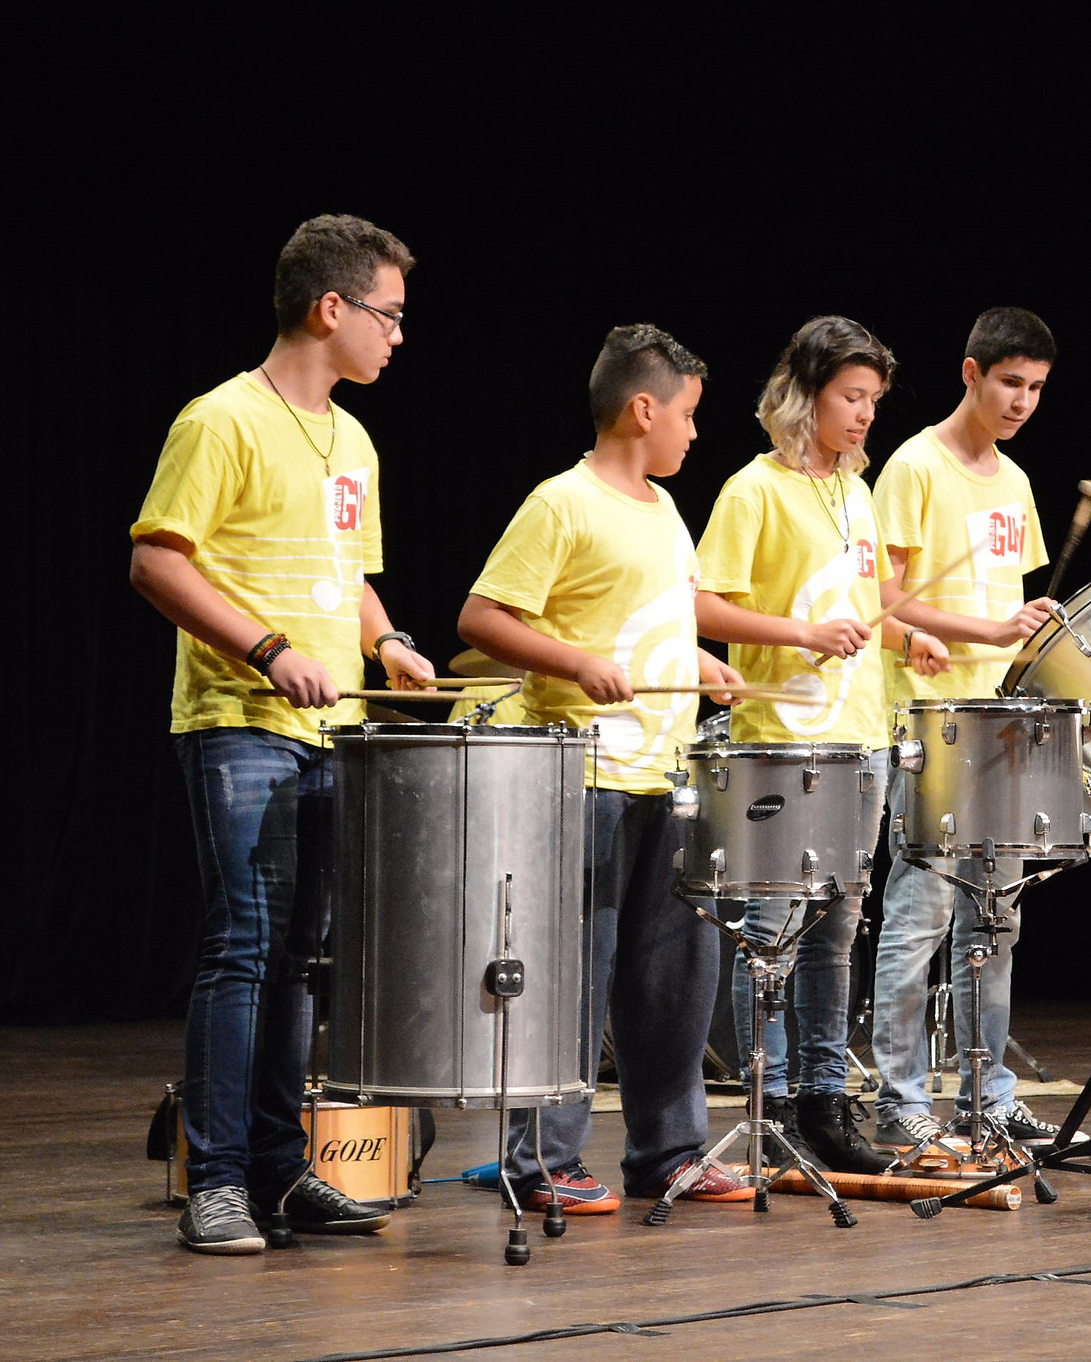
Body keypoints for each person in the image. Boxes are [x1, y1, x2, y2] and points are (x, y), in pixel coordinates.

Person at [130, 214, 437, 1255]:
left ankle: (277, 1165)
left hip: (329, 732)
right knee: (244, 947)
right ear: (330, 307)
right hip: (238, 725)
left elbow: (345, 571)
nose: (399, 336)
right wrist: (267, 652)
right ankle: (215, 1180)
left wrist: (386, 640)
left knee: (302, 955)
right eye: (389, 316)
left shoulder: (352, 438)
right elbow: (158, 564)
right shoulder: (220, 420)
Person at [456, 324, 752, 1215]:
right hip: (582, 777)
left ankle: (669, 1153)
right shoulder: (562, 502)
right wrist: (571, 662)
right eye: (690, 415)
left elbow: (650, 617)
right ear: (643, 408)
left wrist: (702, 664)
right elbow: (481, 618)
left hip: (665, 774)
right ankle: (540, 1161)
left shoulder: (664, 510)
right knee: (572, 977)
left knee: (674, 977)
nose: (696, 434)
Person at [694, 316, 948, 1175]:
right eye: (851, 397)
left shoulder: (858, 492)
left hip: (860, 741)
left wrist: (904, 638)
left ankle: (822, 1102)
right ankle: (765, 1107)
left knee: (839, 930)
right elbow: (702, 609)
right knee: (772, 928)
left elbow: (872, 604)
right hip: (781, 744)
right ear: (804, 396)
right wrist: (799, 630)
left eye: (874, 399)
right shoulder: (751, 490)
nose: (866, 414)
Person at [868, 308, 1068, 1152]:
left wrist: (1036, 635)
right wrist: (983, 633)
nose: (1022, 401)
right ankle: (901, 1095)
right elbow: (880, 602)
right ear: (970, 374)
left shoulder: (1015, 482)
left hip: (1001, 724)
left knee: (997, 922)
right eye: (1010, 383)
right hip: (926, 718)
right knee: (921, 917)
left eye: (1036, 388)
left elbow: (1009, 608)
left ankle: (988, 1092)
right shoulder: (914, 466)